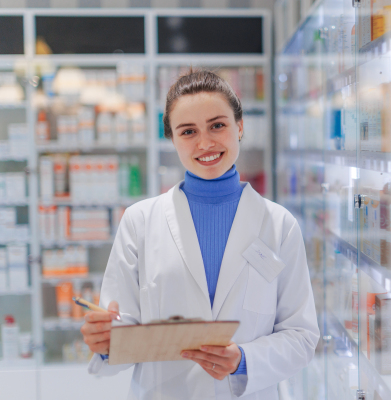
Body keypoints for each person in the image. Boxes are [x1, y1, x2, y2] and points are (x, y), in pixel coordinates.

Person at [80, 70, 320, 400]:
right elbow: (123, 324)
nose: (205, 143)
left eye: (217, 125)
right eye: (188, 131)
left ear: (239, 126)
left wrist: (243, 360)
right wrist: (106, 342)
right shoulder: (140, 222)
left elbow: (301, 335)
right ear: (173, 138)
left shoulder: (279, 225)